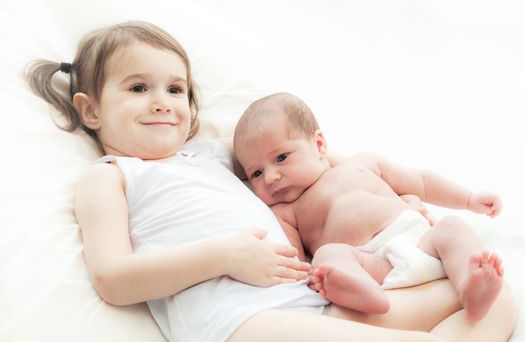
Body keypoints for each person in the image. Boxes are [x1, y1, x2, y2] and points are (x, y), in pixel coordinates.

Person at [25, 21, 516, 342]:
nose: (161, 101)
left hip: (318, 300)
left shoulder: (214, 156)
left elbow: (318, 171)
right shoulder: (111, 177)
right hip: (248, 322)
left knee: (493, 297)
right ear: (90, 109)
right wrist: (224, 256)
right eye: (138, 88)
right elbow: (112, 279)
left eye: (175, 89)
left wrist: (395, 199)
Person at [234, 92, 505, 322]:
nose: (270, 177)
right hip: (371, 265)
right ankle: (362, 294)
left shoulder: (363, 163)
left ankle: (472, 285)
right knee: (328, 255)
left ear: (319, 144)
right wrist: (317, 275)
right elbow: (296, 261)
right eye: (256, 173)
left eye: (281, 158)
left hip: (422, 244)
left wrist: (468, 199)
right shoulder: (285, 212)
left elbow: (421, 181)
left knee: (452, 227)